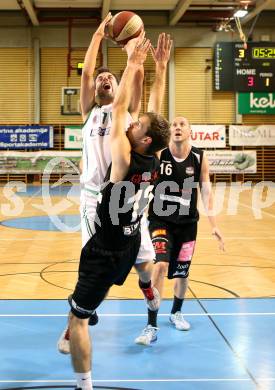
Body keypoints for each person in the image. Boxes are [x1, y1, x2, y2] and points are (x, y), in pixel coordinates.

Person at [57, 15, 172, 353]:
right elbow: (88, 71)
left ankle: (143, 291)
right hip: (94, 202)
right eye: (101, 79)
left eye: (111, 77)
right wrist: (97, 35)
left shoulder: (130, 119)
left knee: (143, 266)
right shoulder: (89, 112)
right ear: (94, 89)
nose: (104, 79)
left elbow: (146, 98)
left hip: (126, 203)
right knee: (94, 267)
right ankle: (77, 318)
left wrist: (138, 66)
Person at [135, 116, 225, 345]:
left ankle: (176, 312)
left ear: (190, 131)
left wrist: (214, 225)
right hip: (159, 221)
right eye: (174, 124)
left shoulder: (199, 157)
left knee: (182, 272)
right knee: (161, 265)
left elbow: (206, 192)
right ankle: (151, 325)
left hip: (187, 225)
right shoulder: (159, 154)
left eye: (182, 124)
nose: (177, 127)